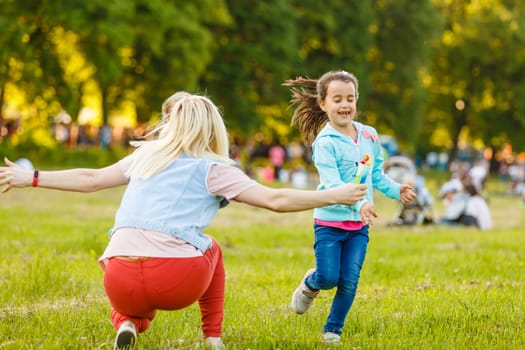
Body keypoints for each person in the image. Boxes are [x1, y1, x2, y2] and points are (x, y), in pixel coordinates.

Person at [0, 92, 368, 350]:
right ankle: (212, 338)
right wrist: (332, 195)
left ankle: (127, 323)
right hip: (176, 281)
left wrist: (32, 178)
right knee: (213, 249)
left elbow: (91, 179)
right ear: (212, 128)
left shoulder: (144, 157)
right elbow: (274, 199)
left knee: (135, 295)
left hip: (118, 277)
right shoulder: (214, 169)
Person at [283, 70, 416, 344]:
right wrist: (361, 204)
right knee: (329, 277)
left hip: (359, 226)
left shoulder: (369, 135)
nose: (345, 105)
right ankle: (311, 283)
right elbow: (334, 187)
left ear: (357, 99)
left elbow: (376, 174)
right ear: (323, 104)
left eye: (350, 98)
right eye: (337, 99)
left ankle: (333, 330)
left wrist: (395, 189)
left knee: (349, 281)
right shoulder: (325, 143)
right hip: (330, 223)